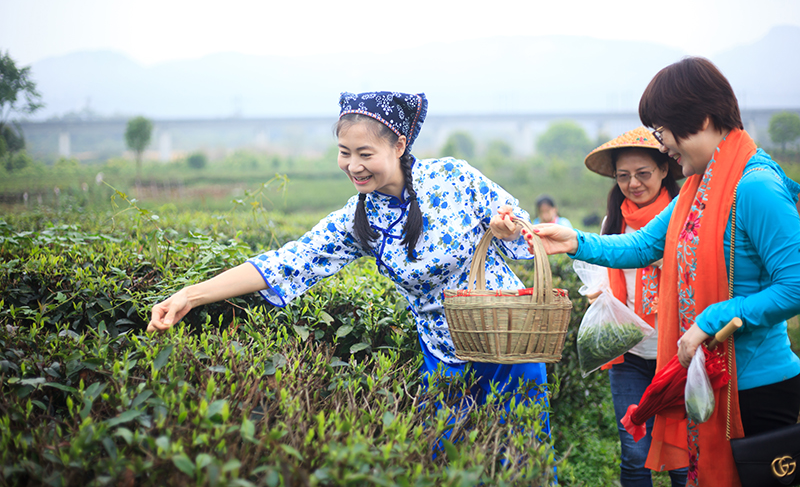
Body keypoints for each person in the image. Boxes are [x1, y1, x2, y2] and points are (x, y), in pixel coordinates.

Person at [147, 90, 551, 438]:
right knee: (451, 461)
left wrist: (508, 229)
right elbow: (289, 261)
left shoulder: (453, 177)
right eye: (345, 153)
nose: (353, 166)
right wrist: (190, 295)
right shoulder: (357, 219)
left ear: (399, 145)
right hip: (442, 353)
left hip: (507, 338)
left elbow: (524, 233)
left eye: (365, 153)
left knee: (520, 456)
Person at [523, 57, 800, 486]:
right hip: (708, 379)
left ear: (702, 119)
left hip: (755, 389)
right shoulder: (697, 189)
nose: (663, 145)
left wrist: (709, 321)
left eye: (663, 132)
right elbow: (644, 244)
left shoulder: (755, 187)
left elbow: (795, 286)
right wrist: (574, 240)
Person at [583, 126, 686, 487]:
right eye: (623, 176)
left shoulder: (683, 215)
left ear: (663, 170)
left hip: (678, 351)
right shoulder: (613, 221)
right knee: (634, 452)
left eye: (643, 173)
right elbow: (601, 271)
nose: (633, 183)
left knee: (683, 453)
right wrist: (596, 292)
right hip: (629, 354)